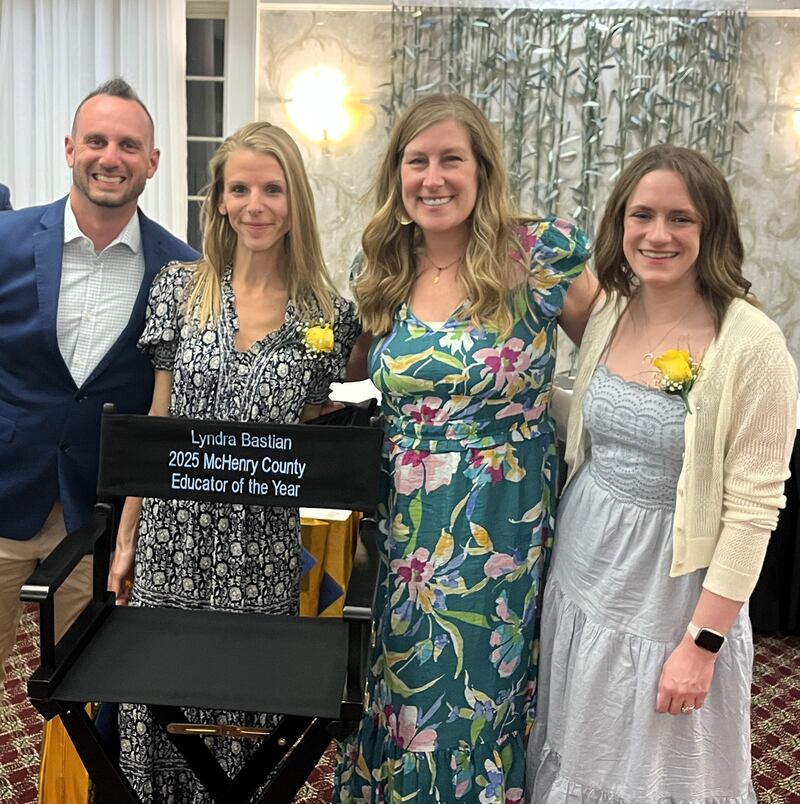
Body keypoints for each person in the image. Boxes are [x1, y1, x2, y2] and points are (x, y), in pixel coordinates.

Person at [333, 93, 596, 802]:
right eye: (416, 161)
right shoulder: (385, 258)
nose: (433, 177)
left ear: (483, 170)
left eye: (452, 159)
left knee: (477, 695)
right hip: (401, 524)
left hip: (497, 524)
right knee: (398, 684)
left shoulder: (537, 255)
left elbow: (614, 355)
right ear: (398, 175)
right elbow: (353, 373)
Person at [526, 145, 797, 802]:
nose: (657, 234)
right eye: (642, 215)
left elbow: (754, 512)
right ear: (620, 224)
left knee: (651, 767)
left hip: (670, 593)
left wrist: (702, 644)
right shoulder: (613, 308)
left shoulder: (752, 344)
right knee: (579, 744)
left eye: (681, 218)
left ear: (712, 230)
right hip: (585, 568)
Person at [107, 121, 361, 802]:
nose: (256, 204)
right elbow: (159, 421)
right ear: (218, 199)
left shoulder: (330, 316)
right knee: (160, 698)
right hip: (173, 535)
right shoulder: (179, 289)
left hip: (260, 546)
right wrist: (127, 534)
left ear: (294, 201)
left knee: (243, 708)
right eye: (240, 188)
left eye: (272, 189)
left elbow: (310, 426)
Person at [0, 78, 197, 691]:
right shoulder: (5, 241)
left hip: (94, 520)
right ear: (69, 149)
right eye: (97, 141)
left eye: (129, 146)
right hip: (2, 496)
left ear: (152, 162)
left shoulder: (184, 271)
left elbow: (167, 401)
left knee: (86, 697)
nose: (111, 157)